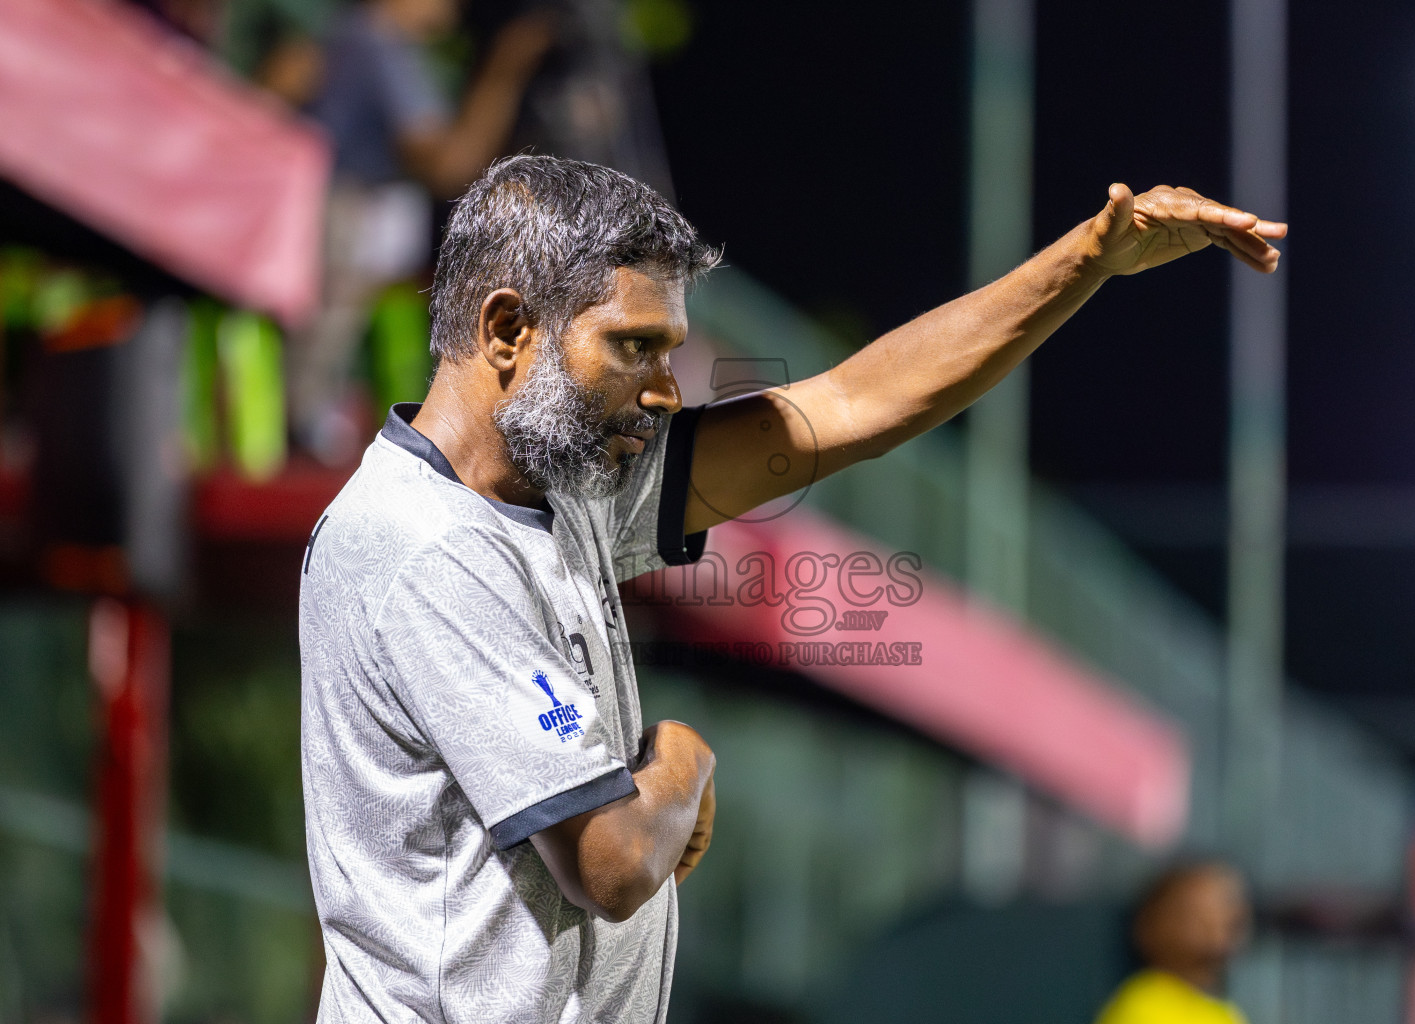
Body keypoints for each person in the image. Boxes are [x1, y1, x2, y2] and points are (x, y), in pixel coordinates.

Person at [298, 155, 1285, 1022]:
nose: (665, 388)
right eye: (634, 346)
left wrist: (1085, 263)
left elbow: (853, 402)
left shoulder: (562, 487)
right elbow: (613, 857)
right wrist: (679, 760)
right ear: (508, 329)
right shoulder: (427, 547)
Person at [289, 0, 555, 462]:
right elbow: (447, 165)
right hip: (340, 211)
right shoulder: (377, 42)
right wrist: (505, 67)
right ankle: (305, 437)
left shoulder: (358, 37)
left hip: (345, 213)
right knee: (316, 362)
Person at [1094, 861, 1254, 1024]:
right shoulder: (1143, 1004)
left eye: (1227, 904)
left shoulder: (1226, 1012)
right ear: (1150, 925)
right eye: (1192, 916)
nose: (1217, 920)